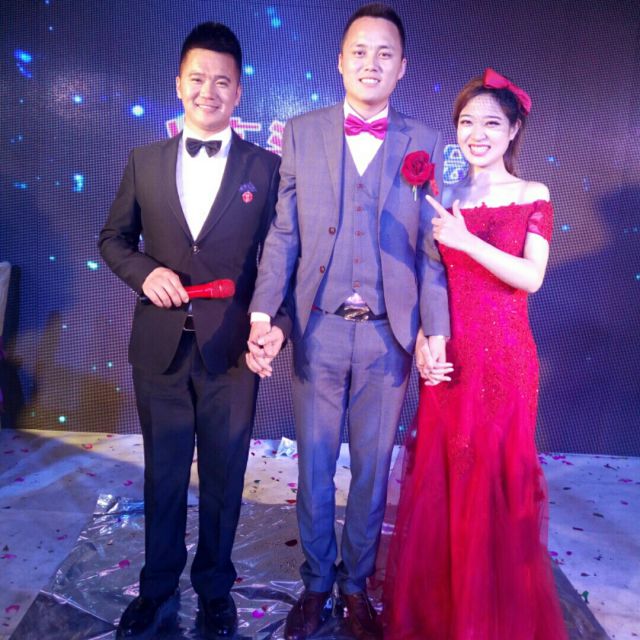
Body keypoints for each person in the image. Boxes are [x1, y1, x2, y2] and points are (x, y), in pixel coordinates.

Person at [246, 4, 450, 639]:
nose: (371, 63)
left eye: (385, 53)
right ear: (339, 61)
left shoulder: (423, 141)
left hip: (389, 336)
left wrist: (435, 328)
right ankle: (315, 584)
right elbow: (283, 234)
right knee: (313, 463)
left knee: (371, 467)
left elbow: (432, 251)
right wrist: (264, 311)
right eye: (359, 51)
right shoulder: (302, 132)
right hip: (319, 329)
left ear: (402, 67)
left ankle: (355, 586)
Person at [99, 22, 289, 640]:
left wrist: (277, 326)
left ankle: (214, 589)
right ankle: (156, 589)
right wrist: (144, 272)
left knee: (225, 480)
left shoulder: (267, 167)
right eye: (198, 79)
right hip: (159, 348)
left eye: (222, 82)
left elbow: (279, 261)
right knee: (163, 476)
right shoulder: (145, 161)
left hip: (230, 351)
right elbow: (113, 239)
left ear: (239, 92)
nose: (209, 91)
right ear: (179, 83)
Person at [383, 69, 567, 639]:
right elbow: (428, 281)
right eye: (466, 122)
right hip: (450, 359)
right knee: (444, 479)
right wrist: (423, 339)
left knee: (494, 482)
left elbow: (531, 277)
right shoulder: (443, 196)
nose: (477, 134)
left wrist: (467, 241)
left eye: (491, 123)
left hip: (506, 360)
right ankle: (443, 613)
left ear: (513, 131)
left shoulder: (532, 193)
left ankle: (490, 618)